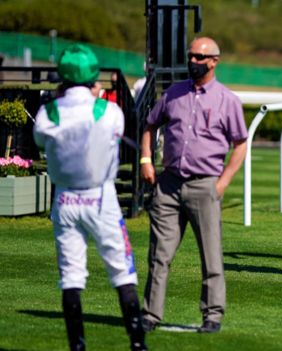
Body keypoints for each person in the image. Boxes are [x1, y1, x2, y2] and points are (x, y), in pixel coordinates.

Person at [33, 44, 147, 351]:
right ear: (93, 78)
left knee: (71, 277)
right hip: (101, 199)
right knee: (122, 270)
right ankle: (137, 343)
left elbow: (40, 140)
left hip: (66, 201)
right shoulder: (109, 111)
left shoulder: (48, 113)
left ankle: (78, 346)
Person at [140, 37, 248, 333]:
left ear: (214, 61)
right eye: (191, 56)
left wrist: (222, 183)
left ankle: (212, 315)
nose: (194, 62)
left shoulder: (227, 100)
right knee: (159, 254)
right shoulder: (173, 93)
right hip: (169, 184)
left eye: (200, 57)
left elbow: (240, 143)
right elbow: (150, 126)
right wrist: (146, 160)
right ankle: (150, 313)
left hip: (205, 186)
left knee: (210, 255)